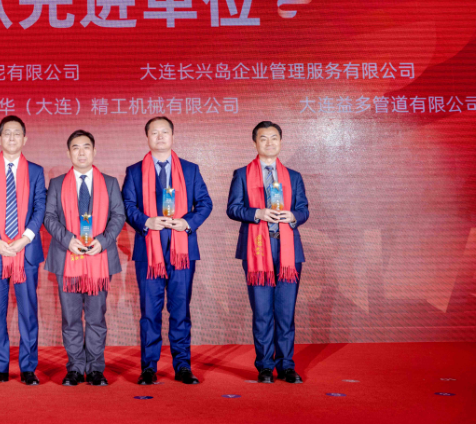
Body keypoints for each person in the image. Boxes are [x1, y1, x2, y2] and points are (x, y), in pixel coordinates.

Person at [121, 116, 213, 385]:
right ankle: (148, 367)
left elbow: (205, 203)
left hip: (182, 252)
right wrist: (146, 221)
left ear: (173, 136)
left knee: (180, 311)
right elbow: (127, 206)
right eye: (154, 132)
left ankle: (182, 366)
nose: (160, 137)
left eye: (165, 132)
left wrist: (187, 223)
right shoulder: (135, 171)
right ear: (147, 137)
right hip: (148, 253)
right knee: (149, 312)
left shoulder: (190, 170)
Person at [226, 121, 309, 384]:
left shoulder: (293, 176)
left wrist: (292, 216)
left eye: (274, 138)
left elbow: (304, 209)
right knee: (262, 312)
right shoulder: (242, 174)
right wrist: (258, 213)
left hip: (288, 250)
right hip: (257, 249)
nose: (269, 143)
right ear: (255, 142)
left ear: (281, 142)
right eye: (264, 138)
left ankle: (286, 366)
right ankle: (264, 366)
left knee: (285, 312)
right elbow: (233, 208)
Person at [43, 130, 126, 387]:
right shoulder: (57, 183)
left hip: (99, 258)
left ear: (94, 151)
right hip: (67, 258)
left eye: (86, 147)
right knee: (70, 318)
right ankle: (76, 368)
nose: (81, 152)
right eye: (76, 148)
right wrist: (68, 240)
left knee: (96, 317)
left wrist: (103, 241)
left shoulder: (110, 182)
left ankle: (96, 368)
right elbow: (49, 217)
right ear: (69, 153)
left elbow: (118, 216)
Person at [0, 116, 48, 386]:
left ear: (25, 139)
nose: (12, 138)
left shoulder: (36, 171)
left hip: (25, 251)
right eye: (7, 133)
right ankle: (0, 367)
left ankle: (28, 367)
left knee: (28, 311)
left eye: (17, 133)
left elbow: (40, 207)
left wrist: (25, 239)